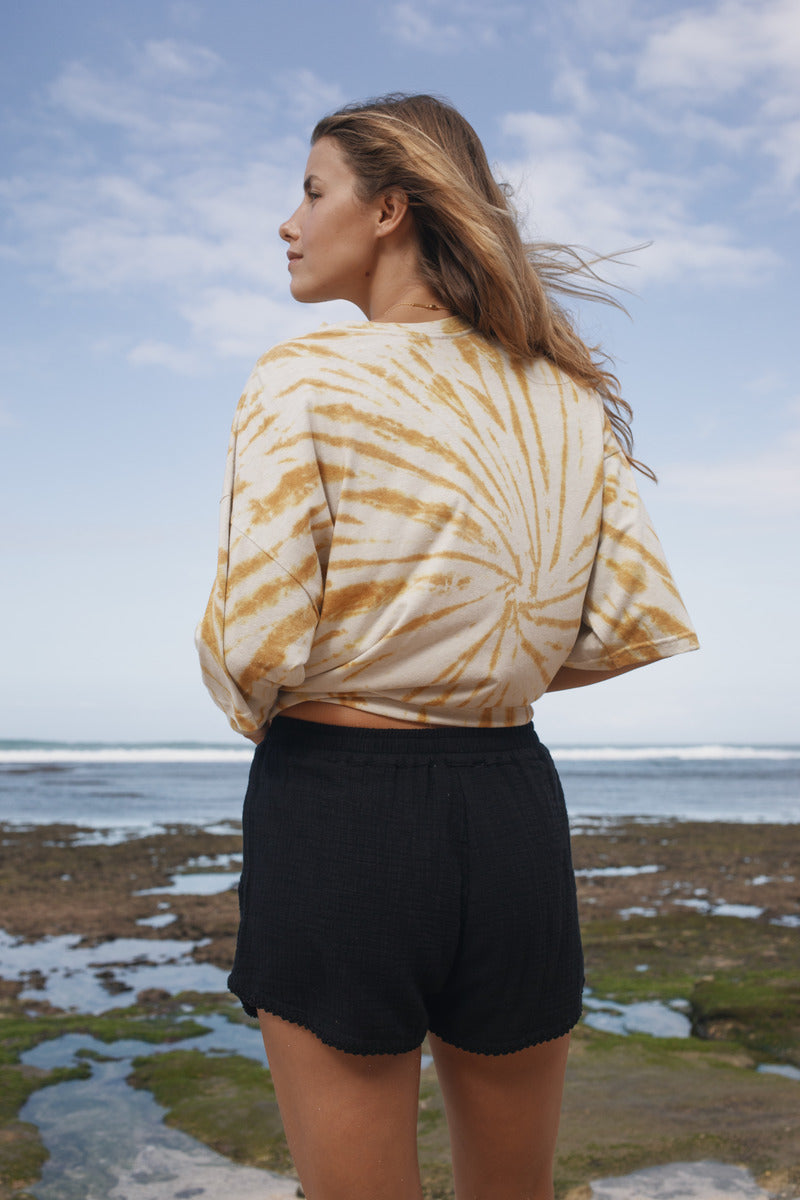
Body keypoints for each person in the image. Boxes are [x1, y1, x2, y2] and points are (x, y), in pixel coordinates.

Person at [196, 93, 698, 1200]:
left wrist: (325, 696)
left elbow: (254, 643)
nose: (288, 220)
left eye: (312, 191)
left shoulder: (302, 377)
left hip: (340, 805)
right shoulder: (564, 395)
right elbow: (627, 627)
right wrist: (470, 668)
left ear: (389, 210)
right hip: (511, 805)